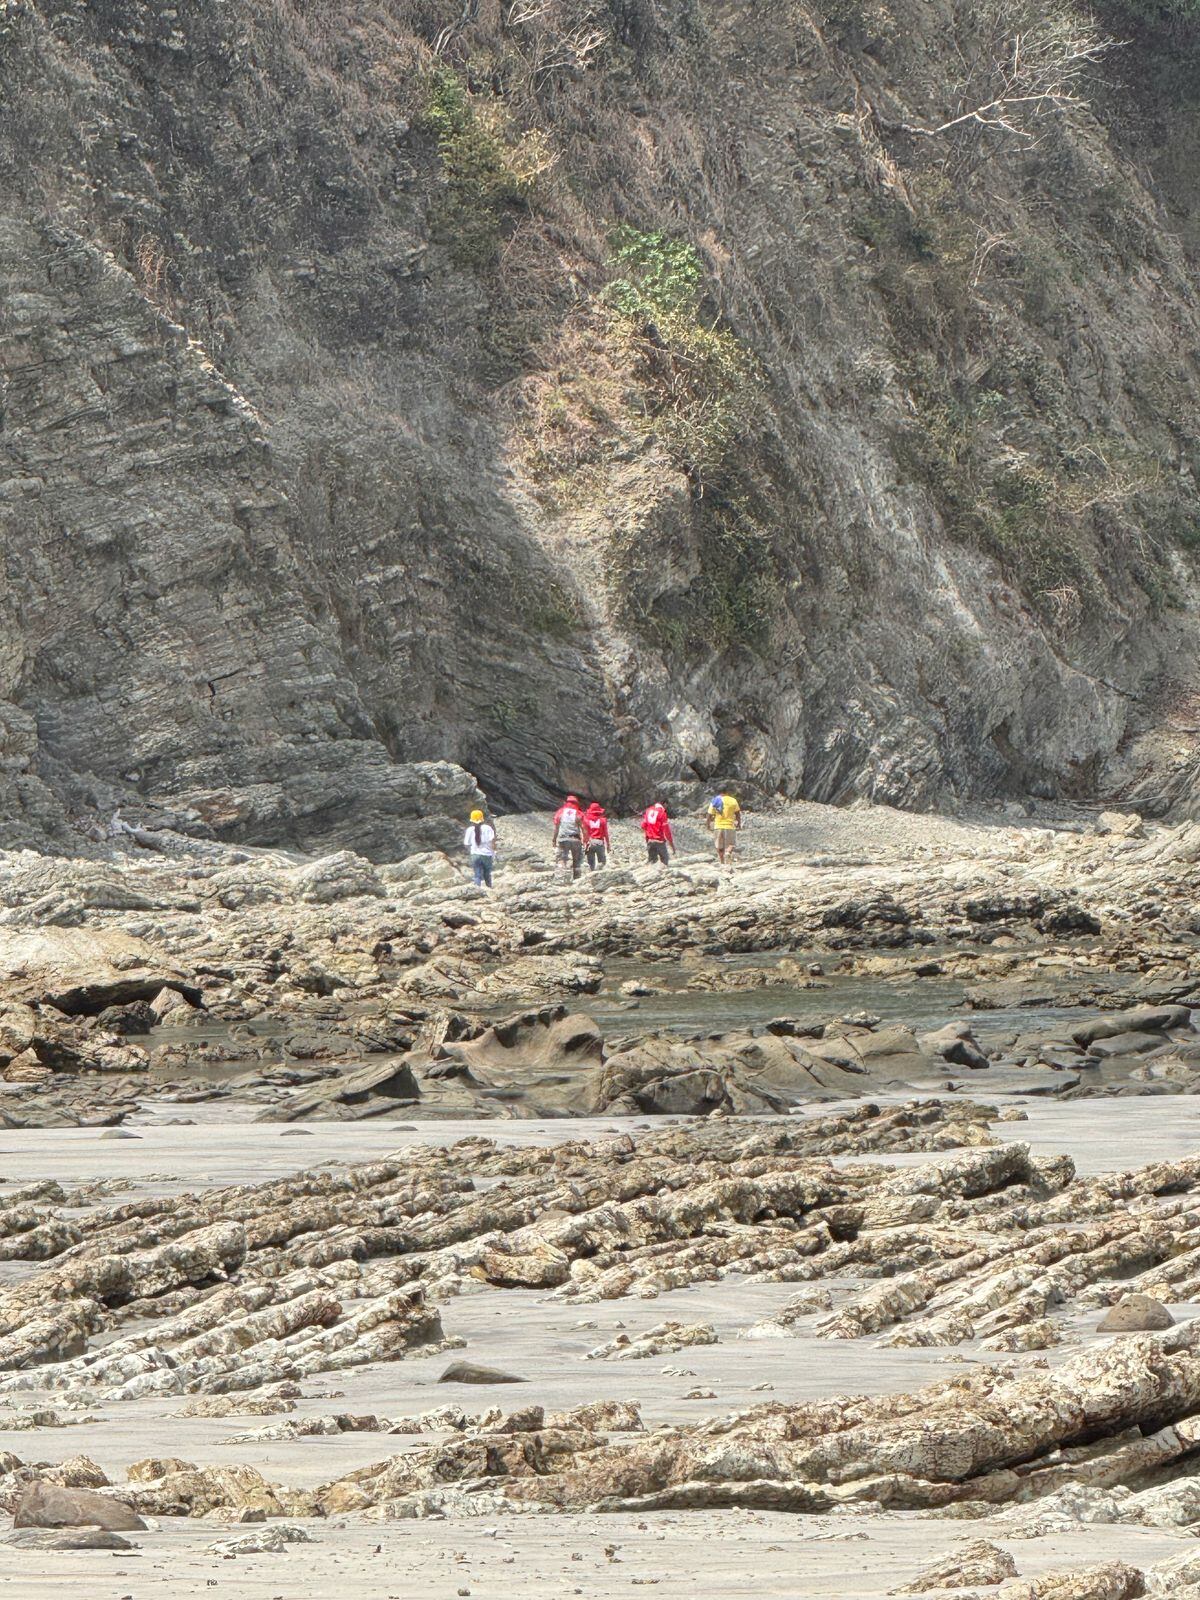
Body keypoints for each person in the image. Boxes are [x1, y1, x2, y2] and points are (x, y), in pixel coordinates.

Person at [553, 793, 584, 880]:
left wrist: (554, 839)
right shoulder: (578, 813)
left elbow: (556, 827)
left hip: (563, 839)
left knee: (562, 858)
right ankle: (577, 878)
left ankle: (561, 877)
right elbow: (584, 828)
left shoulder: (560, 812)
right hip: (575, 839)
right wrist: (586, 839)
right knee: (577, 860)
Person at [463, 808, 496, 889]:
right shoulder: (487, 828)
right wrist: (494, 852)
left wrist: (471, 851)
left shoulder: (470, 830)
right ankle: (489, 887)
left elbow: (466, 844)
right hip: (487, 854)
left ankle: (477, 890)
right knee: (487, 874)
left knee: (477, 874)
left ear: (471, 820)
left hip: (475, 855)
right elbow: (492, 841)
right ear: (482, 819)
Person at [706, 790, 742, 864]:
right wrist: (739, 823)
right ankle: (728, 853)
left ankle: (722, 861)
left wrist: (708, 824)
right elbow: (737, 813)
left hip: (718, 826)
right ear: (727, 792)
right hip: (729, 826)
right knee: (731, 844)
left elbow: (709, 814)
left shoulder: (715, 800)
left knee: (719, 846)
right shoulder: (733, 800)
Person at [641, 799, 675, 866]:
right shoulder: (662, 813)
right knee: (665, 861)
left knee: (652, 862)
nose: (666, 808)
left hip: (650, 841)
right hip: (659, 841)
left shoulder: (648, 810)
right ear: (665, 804)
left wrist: (647, 838)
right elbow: (667, 831)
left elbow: (643, 826)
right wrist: (671, 845)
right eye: (667, 806)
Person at [583, 801, 611, 870]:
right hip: (600, 843)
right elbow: (606, 833)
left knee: (591, 864)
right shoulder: (603, 820)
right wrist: (608, 845)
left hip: (590, 843)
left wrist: (584, 844)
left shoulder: (586, 820)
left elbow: (585, 834)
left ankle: (592, 876)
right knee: (602, 863)